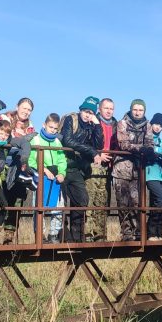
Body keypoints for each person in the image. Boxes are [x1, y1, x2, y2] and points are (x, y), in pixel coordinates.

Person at [58, 96, 104, 243]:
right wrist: (91, 152)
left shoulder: (91, 125)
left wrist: (97, 126)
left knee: (82, 199)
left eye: (90, 112)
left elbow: (99, 145)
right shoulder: (71, 119)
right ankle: (62, 235)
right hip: (62, 165)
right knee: (62, 203)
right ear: (80, 110)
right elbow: (68, 140)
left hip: (77, 169)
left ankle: (77, 235)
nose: (87, 114)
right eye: (85, 111)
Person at [111, 99, 154, 241]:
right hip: (122, 169)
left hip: (138, 170)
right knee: (123, 202)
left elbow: (149, 142)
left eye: (140, 110)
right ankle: (126, 233)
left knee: (137, 202)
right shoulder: (122, 123)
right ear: (130, 109)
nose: (137, 112)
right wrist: (141, 149)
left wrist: (149, 150)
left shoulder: (147, 125)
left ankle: (138, 233)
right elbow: (123, 144)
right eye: (135, 109)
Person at [26, 113, 66, 243]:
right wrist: (44, 169)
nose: (53, 130)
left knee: (58, 206)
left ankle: (53, 234)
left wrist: (62, 173)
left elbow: (62, 159)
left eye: (55, 128)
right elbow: (31, 160)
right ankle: (40, 234)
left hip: (56, 178)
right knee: (38, 206)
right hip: (41, 177)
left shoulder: (57, 142)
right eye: (51, 127)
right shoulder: (36, 140)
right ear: (44, 125)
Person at [85, 98, 116, 242]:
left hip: (109, 167)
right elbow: (86, 142)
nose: (109, 111)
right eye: (106, 108)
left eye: (111, 108)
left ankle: (100, 234)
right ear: (100, 109)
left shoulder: (116, 125)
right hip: (94, 164)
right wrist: (97, 153)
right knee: (91, 197)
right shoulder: (92, 122)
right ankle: (87, 234)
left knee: (103, 200)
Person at [145, 113, 162, 240]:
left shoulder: (161, 140)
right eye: (156, 124)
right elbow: (150, 150)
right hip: (151, 174)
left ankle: (158, 233)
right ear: (151, 123)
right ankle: (150, 231)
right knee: (159, 198)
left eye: (161, 126)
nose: (158, 127)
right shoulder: (147, 137)